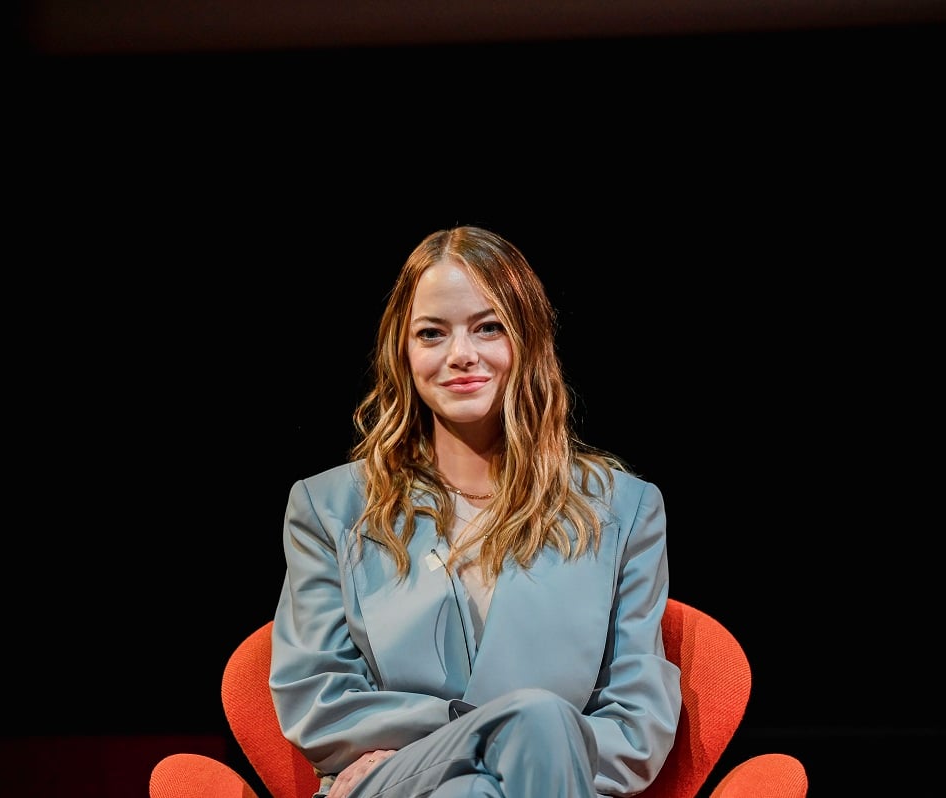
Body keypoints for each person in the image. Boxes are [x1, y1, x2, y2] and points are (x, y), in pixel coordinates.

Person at [269, 225, 681, 798]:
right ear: (404, 352)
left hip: (559, 783)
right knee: (535, 723)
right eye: (432, 333)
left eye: (488, 328)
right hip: (394, 784)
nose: (461, 355)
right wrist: (505, 731)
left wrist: (520, 756)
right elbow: (318, 701)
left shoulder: (624, 509)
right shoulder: (331, 507)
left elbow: (636, 725)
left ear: (528, 340)